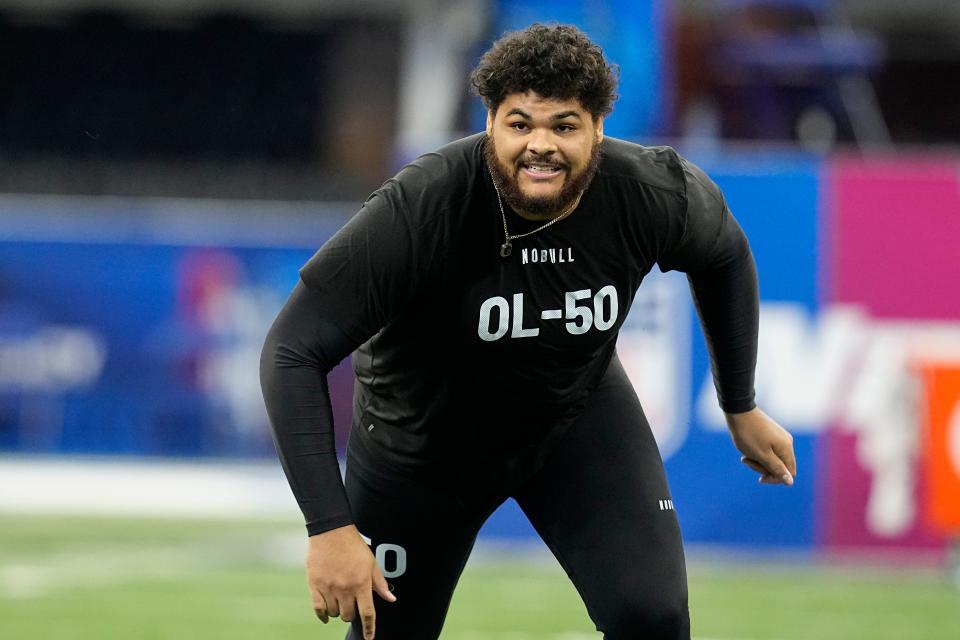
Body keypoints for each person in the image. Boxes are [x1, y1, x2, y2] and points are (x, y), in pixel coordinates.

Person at [260, 23, 797, 640]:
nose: (540, 145)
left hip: (572, 420)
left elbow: (724, 255)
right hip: (420, 450)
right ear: (489, 121)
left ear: (599, 128)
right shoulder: (423, 205)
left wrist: (740, 404)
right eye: (520, 124)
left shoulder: (652, 191)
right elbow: (290, 350)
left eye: (564, 126)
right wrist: (329, 527)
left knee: (653, 618)